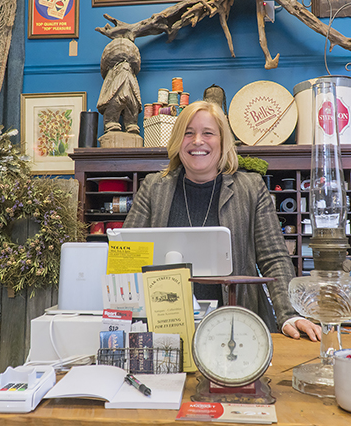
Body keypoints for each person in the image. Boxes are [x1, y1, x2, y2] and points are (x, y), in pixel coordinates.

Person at [124, 100, 322, 341]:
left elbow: (274, 258)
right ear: (178, 142)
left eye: (208, 133)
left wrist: (290, 314)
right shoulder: (153, 188)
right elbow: (127, 257)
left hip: (237, 326)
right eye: (188, 133)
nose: (197, 141)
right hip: (164, 328)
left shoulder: (250, 188)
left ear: (222, 141)